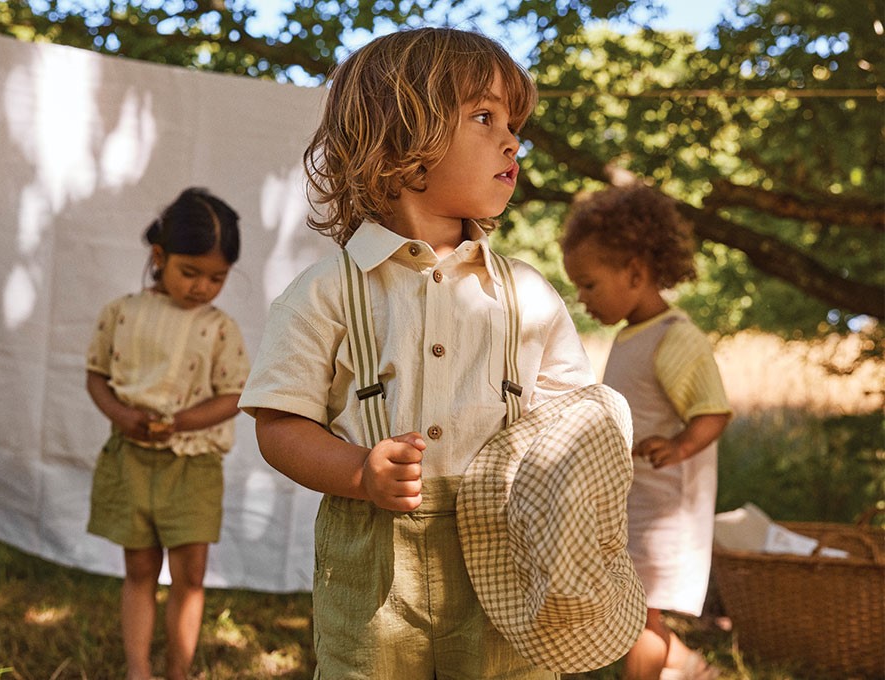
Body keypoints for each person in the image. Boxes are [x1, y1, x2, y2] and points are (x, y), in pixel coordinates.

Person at [239, 27, 599, 678]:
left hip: (505, 553)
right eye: (484, 117)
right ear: (403, 145)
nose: (512, 139)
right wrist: (358, 473)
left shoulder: (528, 296)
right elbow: (279, 424)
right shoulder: (325, 293)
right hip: (376, 566)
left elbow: (574, 426)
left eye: (513, 122)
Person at [560, 184, 732, 680]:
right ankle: (694, 669)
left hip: (664, 510)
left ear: (634, 273)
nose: (581, 298)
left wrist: (680, 446)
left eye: (589, 285)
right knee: (632, 609)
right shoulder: (631, 335)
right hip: (633, 506)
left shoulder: (675, 338)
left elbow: (713, 412)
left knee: (637, 616)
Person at [85, 187, 249, 680]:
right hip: (130, 459)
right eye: (190, 272)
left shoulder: (219, 329)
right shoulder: (121, 313)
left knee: (190, 575)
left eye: (217, 278)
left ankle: (178, 670)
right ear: (160, 257)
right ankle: (139, 669)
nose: (202, 287)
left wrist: (179, 423)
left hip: (193, 466)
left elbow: (232, 395)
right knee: (138, 570)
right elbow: (96, 375)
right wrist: (120, 413)